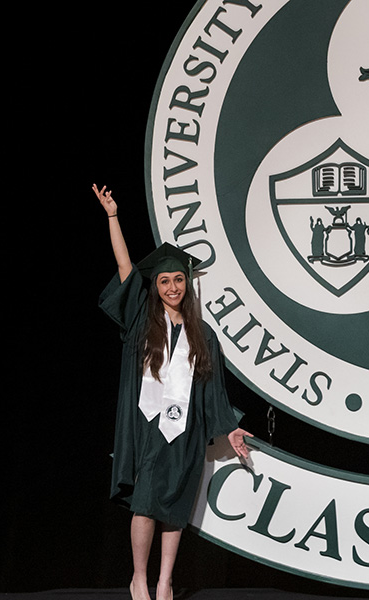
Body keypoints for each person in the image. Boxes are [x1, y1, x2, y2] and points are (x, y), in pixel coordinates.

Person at [93, 184, 252, 600]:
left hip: (185, 433)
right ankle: (139, 579)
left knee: (176, 506)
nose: (172, 287)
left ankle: (165, 583)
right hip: (147, 427)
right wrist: (113, 217)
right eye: (164, 280)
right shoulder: (142, 321)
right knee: (145, 502)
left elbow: (213, 391)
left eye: (178, 279)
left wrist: (229, 429)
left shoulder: (204, 337)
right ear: (156, 285)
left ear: (187, 283)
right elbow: (127, 268)